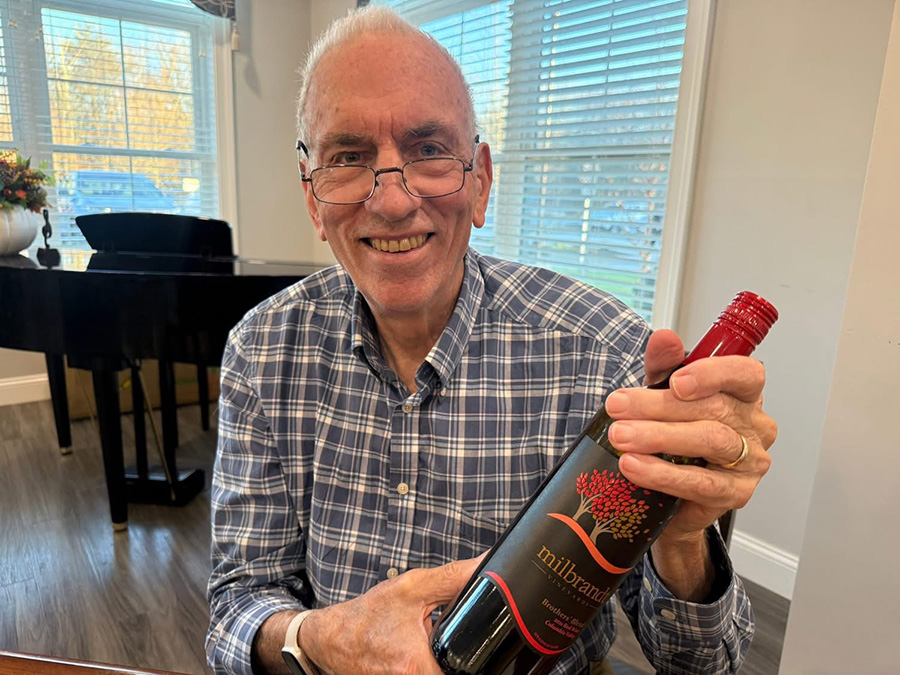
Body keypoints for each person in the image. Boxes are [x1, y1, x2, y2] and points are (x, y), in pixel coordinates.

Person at [206, 6, 776, 675]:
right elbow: (237, 605)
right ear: (313, 197)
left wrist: (681, 541)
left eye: (428, 150)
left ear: (479, 182)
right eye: (348, 157)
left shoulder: (604, 356)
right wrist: (323, 637)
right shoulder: (262, 350)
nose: (392, 201)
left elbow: (704, 662)